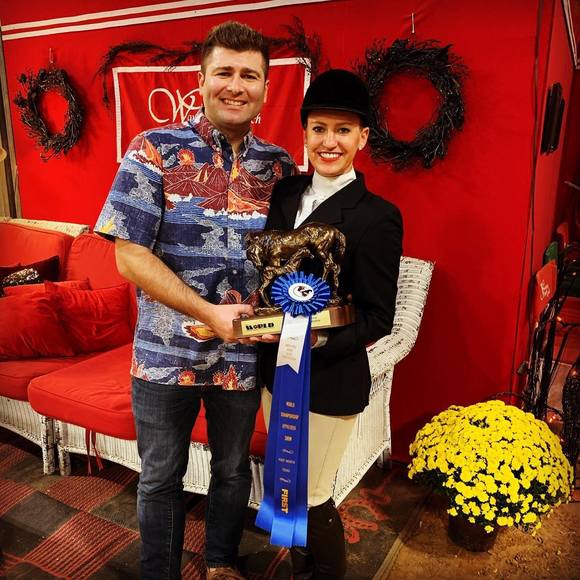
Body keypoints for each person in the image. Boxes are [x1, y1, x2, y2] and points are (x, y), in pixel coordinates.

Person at [94, 21, 296, 580]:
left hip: (243, 360)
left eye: (249, 75)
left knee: (232, 471)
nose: (236, 85)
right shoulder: (153, 150)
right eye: (224, 72)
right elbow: (128, 255)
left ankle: (221, 564)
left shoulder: (280, 167)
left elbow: (290, 262)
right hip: (164, 358)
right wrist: (208, 313)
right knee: (161, 477)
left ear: (266, 88)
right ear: (201, 81)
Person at [257, 69, 403, 578]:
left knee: (313, 495)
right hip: (274, 371)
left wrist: (312, 341)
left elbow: (379, 316)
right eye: (319, 128)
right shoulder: (284, 194)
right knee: (284, 489)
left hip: (329, 380)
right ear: (305, 133)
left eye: (343, 130)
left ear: (362, 138)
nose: (329, 142)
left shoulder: (377, 216)